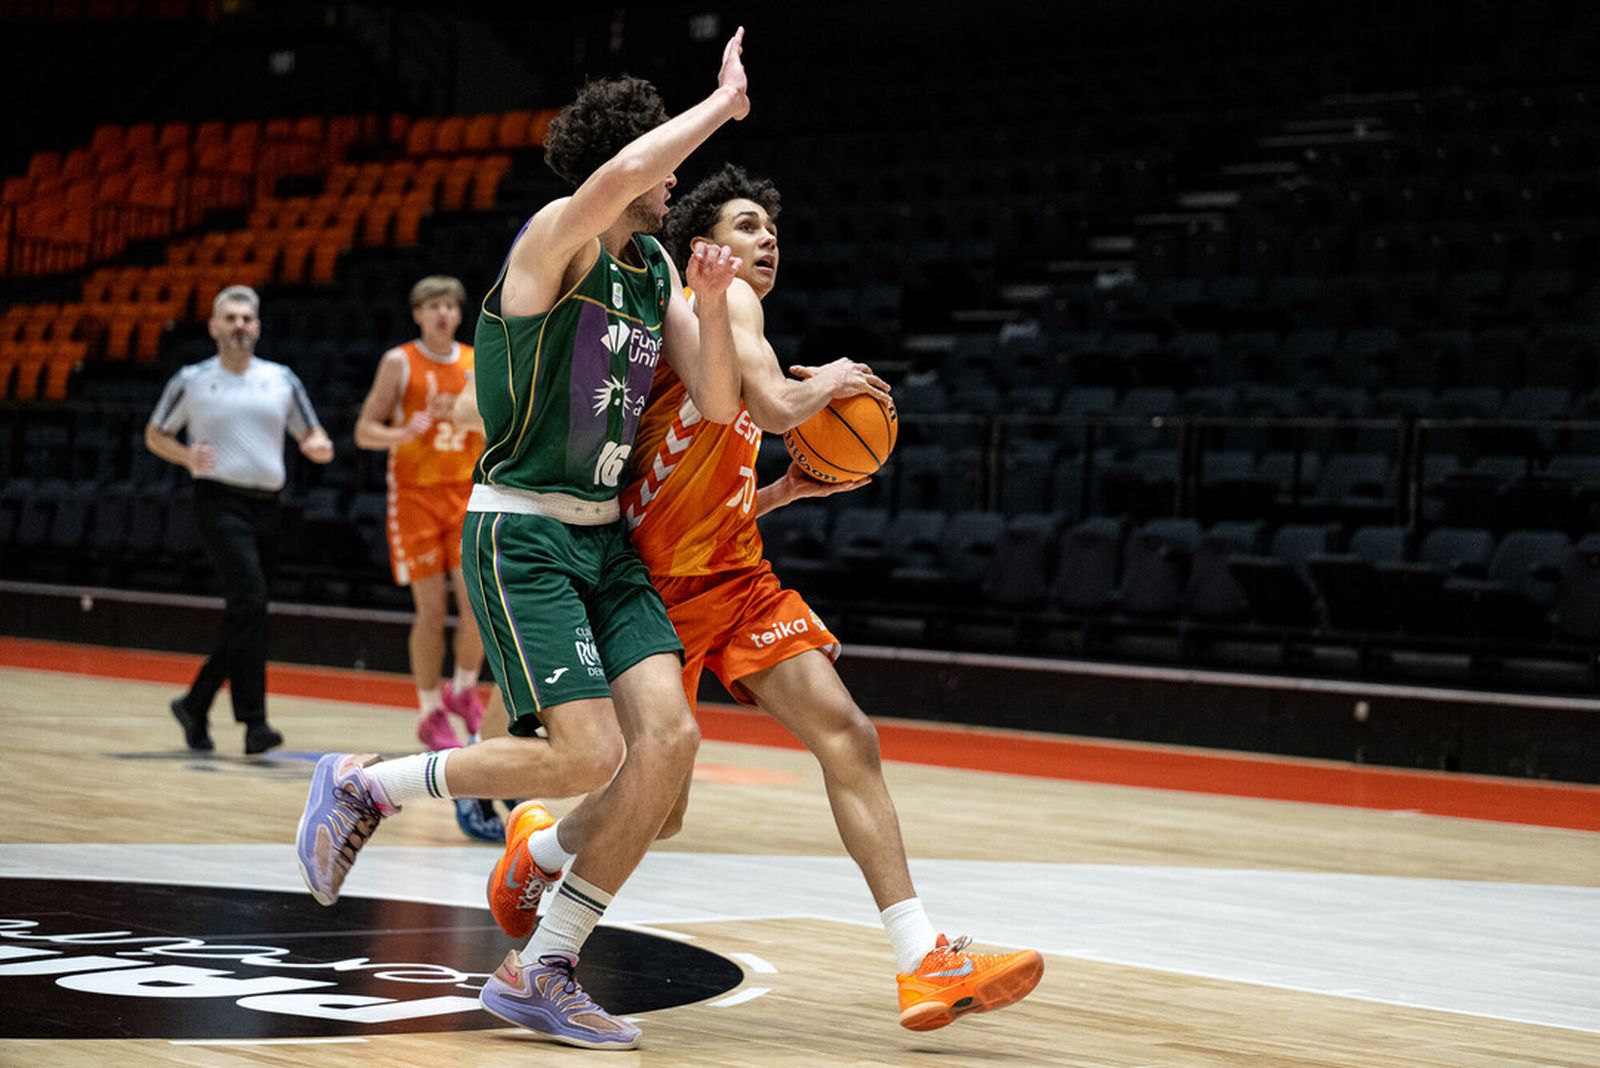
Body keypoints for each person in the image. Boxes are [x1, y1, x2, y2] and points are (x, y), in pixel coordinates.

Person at [484, 164, 1044, 1032]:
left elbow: (710, 476)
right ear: (702, 246)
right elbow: (779, 409)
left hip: (737, 579)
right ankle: (543, 850)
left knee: (848, 734)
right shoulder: (717, 308)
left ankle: (923, 959)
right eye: (747, 226)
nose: (767, 239)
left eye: (771, 228)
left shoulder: (737, 320)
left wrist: (781, 493)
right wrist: (837, 380)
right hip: (656, 589)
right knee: (660, 813)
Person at [294, 28, 751, 1051]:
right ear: (627, 161)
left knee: (670, 748)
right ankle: (366, 783)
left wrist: (716, 305)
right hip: (525, 533)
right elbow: (625, 175)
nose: (674, 179)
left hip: (606, 544)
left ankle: (540, 966)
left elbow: (719, 401)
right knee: (585, 752)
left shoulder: (652, 271)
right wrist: (721, 104)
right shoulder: (555, 239)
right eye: (662, 161)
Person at [147, 285, 334, 756]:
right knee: (250, 601)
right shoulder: (192, 379)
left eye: (247, 318)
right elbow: (155, 433)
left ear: (258, 326)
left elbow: (311, 430)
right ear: (213, 326)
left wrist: (317, 444)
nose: (239, 326)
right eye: (230, 318)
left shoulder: (281, 379)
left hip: (269, 506)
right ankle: (254, 723)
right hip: (218, 501)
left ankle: (195, 703)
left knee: (246, 611)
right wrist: (186, 456)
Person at [353, 275, 497, 840]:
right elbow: (365, 431)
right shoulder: (399, 362)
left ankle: (463, 687)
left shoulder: (474, 360)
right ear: (417, 313)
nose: (444, 314)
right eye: (434, 305)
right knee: (432, 610)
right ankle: (429, 707)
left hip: (464, 493)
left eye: (451, 306)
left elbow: (491, 421)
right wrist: (400, 433)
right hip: (413, 497)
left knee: (478, 605)